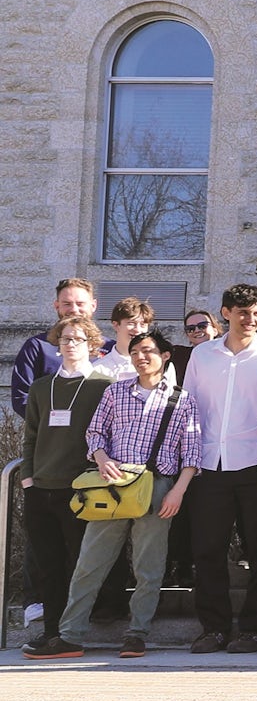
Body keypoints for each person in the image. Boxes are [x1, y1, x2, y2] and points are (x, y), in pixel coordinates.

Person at [19, 330, 198, 660]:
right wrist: (102, 459)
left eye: (148, 351)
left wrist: (178, 492)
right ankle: (70, 635)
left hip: (157, 485)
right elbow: (95, 433)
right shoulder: (116, 392)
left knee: (149, 566)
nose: (141, 357)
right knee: (90, 561)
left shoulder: (181, 399)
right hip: (111, 484)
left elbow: (192, 452)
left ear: (165, 355)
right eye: (135, 352)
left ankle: (137, 633)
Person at [182, 285, 257, 654]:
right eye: (242, 312)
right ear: (226, 313)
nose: (250, 319)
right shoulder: (202, 355)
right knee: (208, 551)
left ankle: (252, 628)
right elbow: (189, 407)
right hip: (208, 464)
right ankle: (213, 629)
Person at [18, 315, 115, 656]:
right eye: (64, 339)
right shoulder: (42, 387)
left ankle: (73, 632)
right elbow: (30, 436)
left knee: (81, 563)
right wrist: (28, 479)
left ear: (92, 344)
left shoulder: (104, 384)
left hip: (81, 490)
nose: (70, 344)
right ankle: (50, 632)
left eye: (77, 338)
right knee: (48, 565)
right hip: (40, 488)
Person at [14, 280, 107, 418]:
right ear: (57, 306)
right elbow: (22, 397)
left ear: (93, 305)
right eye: (67, 304)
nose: (74, 309)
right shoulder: (37, 346)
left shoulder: (109, 348)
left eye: (80, 304)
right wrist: (48, 426)